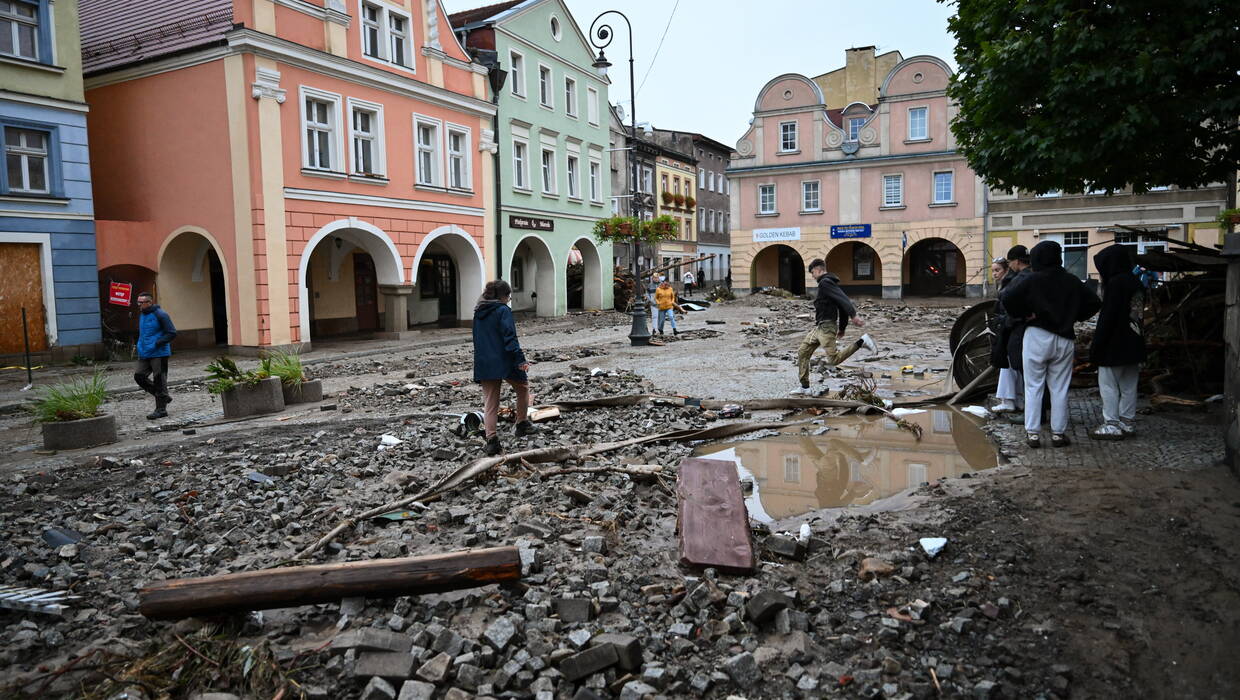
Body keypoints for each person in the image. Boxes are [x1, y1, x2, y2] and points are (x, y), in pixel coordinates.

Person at [1001, 241, 1101, 448]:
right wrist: (1074, 316)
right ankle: (1058, 434)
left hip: (1036, 335)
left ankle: (1033, 434)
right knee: (1060, 388)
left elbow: (1008, 297)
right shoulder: (1072, 280)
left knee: (1033, 386)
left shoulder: (1032, 279)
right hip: (1064, 338)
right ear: (1059, 257)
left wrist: (1024, 314)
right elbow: (1094, 303)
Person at [793, 258, 877, 395]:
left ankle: (862, 341)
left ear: (818, 270)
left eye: (812, 272)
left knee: (833, 360)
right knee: (803, 351)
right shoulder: (827, 284)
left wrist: (853, 315)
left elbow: (843, 300)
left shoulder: (825, 283)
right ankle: (805, 387)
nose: (812, 276)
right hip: (819, 327)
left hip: (826, 327)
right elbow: (840, 305)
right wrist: (842, 328)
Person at [472, 280, 537, 456]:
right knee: (523, 388)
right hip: (505, 359)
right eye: (508, 296)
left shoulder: (478, 312)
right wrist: (520, 360)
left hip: (485, 361)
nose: (509, 300)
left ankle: (492, 440)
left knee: (490, 403)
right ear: (502, 296)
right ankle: (522, 424)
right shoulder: (503, 311)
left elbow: (478, 339)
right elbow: (509, 337)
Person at [1089, 244, 1145, 440]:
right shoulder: (1135, 281)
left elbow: (1108, 318)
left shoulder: (1115, 284)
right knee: (1130, 384)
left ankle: (1111, 423)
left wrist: (1096, 346)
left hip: (1114, 344)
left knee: (1109, 384)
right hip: (1135, 341)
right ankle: (1127, 422)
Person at [992, 246, 1032, 414]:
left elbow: (1009, 306)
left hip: (1013, 328)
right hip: (1014, 326)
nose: (994, 274)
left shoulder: (1013, 281)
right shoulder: (1010, 280)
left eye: (997, 270)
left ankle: (1008, 400)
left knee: (1008, 363)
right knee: (1014, 364)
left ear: (1009, 267)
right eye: (993, 271)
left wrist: (1006, 321)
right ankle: (1019, 399)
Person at [133, 292, 177, 419]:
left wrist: (157, 343)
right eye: (138, 302)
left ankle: (161, 410)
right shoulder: (142, 314)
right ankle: (163, 396)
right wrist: (140, 346)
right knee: (139, 376)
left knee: (159, 380)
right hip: (145, 352)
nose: (139, 305)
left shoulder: (161, 314)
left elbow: (172, 333)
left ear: (149, 302)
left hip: (159, 353)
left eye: (141, 302)